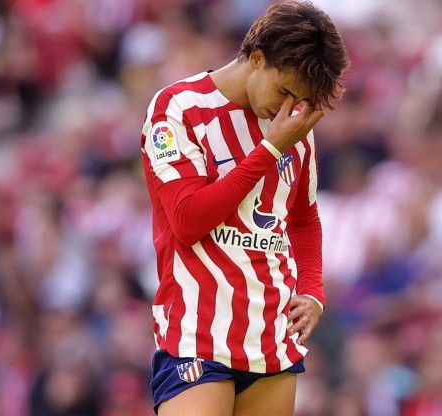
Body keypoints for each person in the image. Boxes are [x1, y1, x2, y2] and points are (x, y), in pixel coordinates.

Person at [139, 1, 349, 415]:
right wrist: (270, 148)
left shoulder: (295, 127)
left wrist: (313, 290)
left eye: (302, 100)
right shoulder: (178, 109)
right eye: (285, 91)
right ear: (256, 57)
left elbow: (304, 218)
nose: (289, 107)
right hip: (196, 336)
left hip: (271, 337)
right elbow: (187, 220)